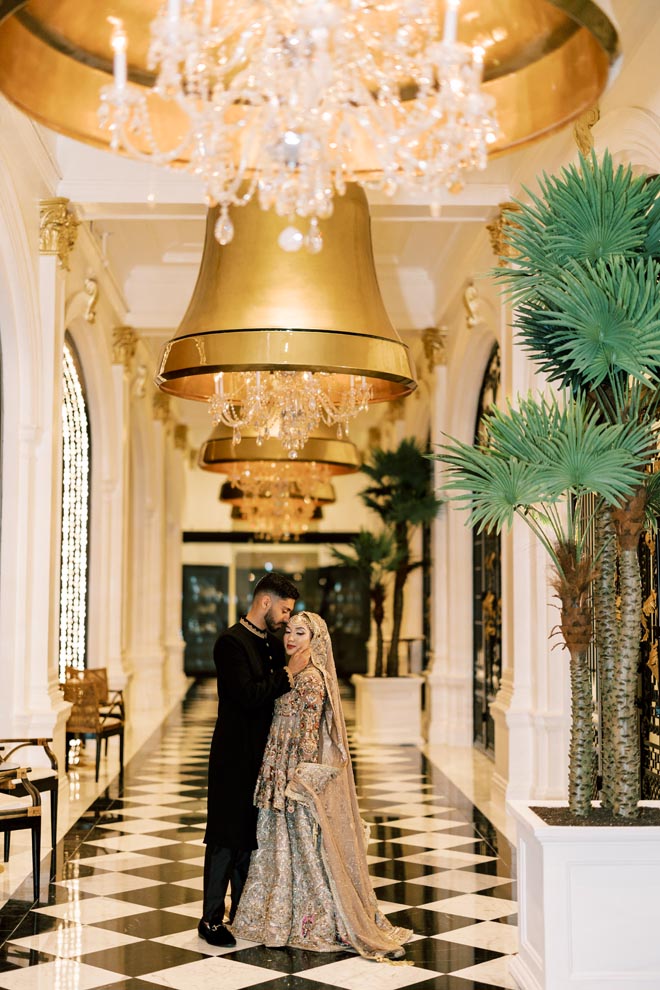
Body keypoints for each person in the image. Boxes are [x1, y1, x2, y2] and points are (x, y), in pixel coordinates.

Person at [231, 611, 412, 960]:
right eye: (288, 631)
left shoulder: (312, 677)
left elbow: (311, 732)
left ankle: (313, 918)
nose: (291, 638)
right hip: (276, 762)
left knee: (303, 843)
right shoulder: (289, 672)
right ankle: (277, 914)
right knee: (278, 841)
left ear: (315, 640)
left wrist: (299, 775)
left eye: (300, 632)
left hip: (293, 768)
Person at [199, 572, 307, 948]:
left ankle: (241, 914)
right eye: (284, 609)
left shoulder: (273, 645)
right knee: (226, 836)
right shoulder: (230, 643)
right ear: (265, 602)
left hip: (265, 756)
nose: (286, 618)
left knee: (250, 838)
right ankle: (211, 919)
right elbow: (248, 695)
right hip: (233, 753)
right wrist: (288, 675)